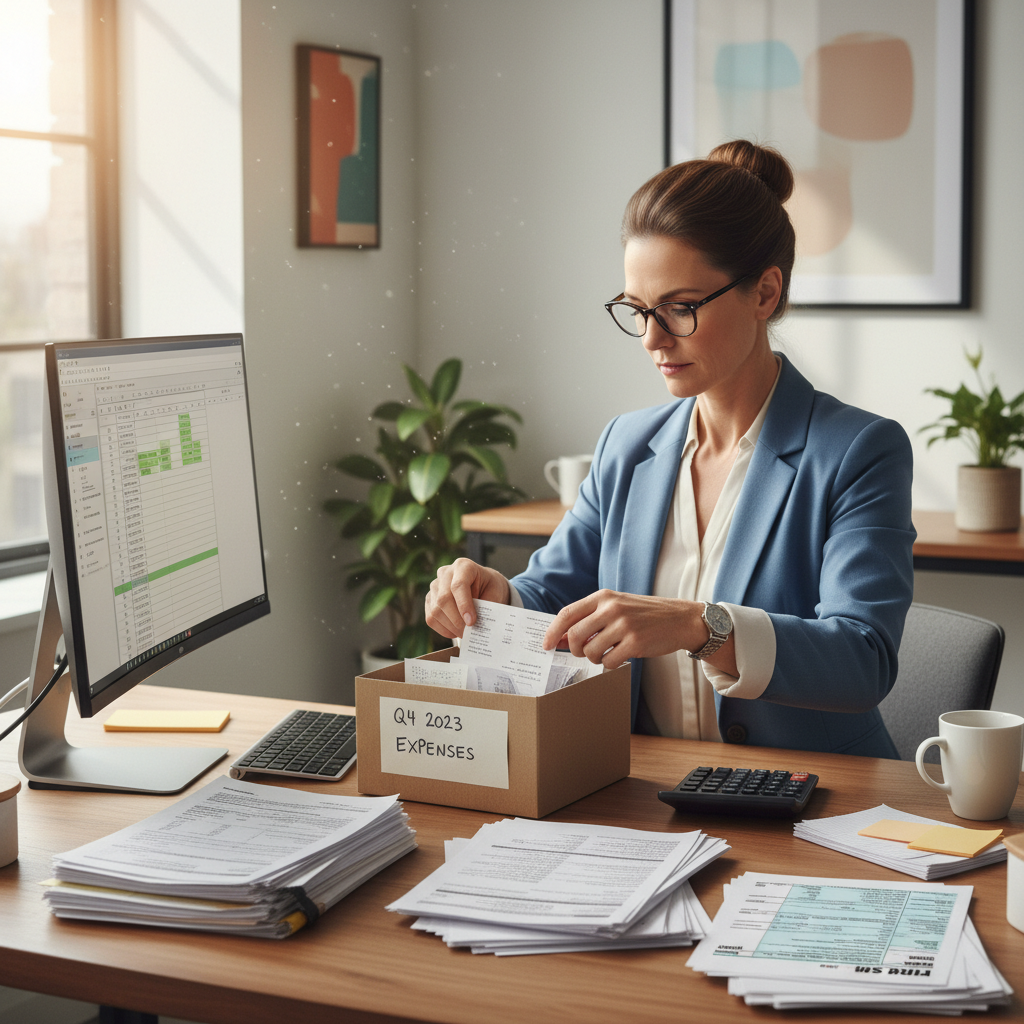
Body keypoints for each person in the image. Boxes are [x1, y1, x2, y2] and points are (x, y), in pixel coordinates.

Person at [425, 140, 915, 757]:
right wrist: (499, 596)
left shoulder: (858, 451)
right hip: (647, 796)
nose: (653, 338)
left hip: (817, 797)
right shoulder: (626, 445)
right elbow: (554, 594)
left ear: (765, 293)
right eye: (638, 310)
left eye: (681, 309)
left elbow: (862, 658)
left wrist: (697, 626)